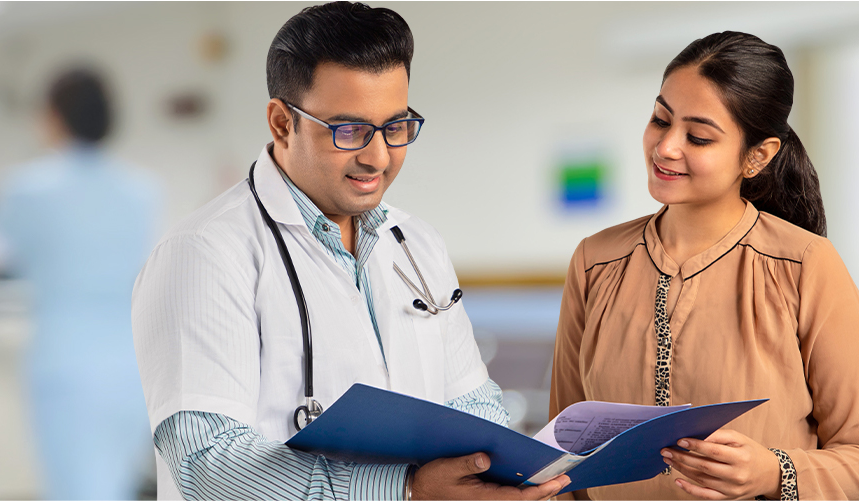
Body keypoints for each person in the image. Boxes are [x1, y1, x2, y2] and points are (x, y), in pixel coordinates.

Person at [131, 3, 570, 500]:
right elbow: (205, 464)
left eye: (396, 127)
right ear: (281, 123)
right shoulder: (204, 254)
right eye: (350, 131)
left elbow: (474, 403)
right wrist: (406, 490)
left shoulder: (416, 244)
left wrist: (507, 473)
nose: (378, 157)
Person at [549, 32, 859, 500]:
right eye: (660, 120)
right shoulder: (596, 259)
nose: (666, 147)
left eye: (698, 137)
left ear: (757, 156)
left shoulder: (804, 264)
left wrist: (772, 473)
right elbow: (562, 458)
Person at [0, 65, 161, 500]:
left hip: (66, 369)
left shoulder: (28, 187)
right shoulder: (142, 190)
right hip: (131, 369)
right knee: (117, 487)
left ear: (52, 116)